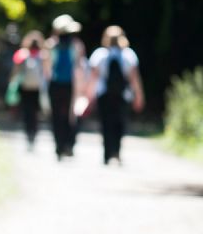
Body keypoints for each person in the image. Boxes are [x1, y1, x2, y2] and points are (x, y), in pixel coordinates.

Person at [87, 25, 145, 165]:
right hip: (123, 95)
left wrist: (88, 96)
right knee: (119, 124)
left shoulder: (99, 54)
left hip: (103, 95)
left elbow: (93, 77)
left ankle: (107, 154)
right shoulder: (129, 54)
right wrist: (139, 96)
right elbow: (134, 78)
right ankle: (116, 153)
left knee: (105, 124)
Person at [46, 14, 87, 160]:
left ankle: (60, 147)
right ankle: (67, 145)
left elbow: (47, 69)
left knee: (57, 117)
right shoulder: (77, 45)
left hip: (57, 85)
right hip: (71, 85)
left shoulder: (51, 44)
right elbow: (80, 67)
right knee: (71, 117)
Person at [9, 30, 47, 149]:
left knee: (26, 112)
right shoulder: (43, 55)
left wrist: (11, 83)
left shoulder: (21, 54)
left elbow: (15, 71)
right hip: (37, 88)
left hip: (24, 87)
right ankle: (33, 133)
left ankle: (28, 134)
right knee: (35, 113)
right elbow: (47, 72)